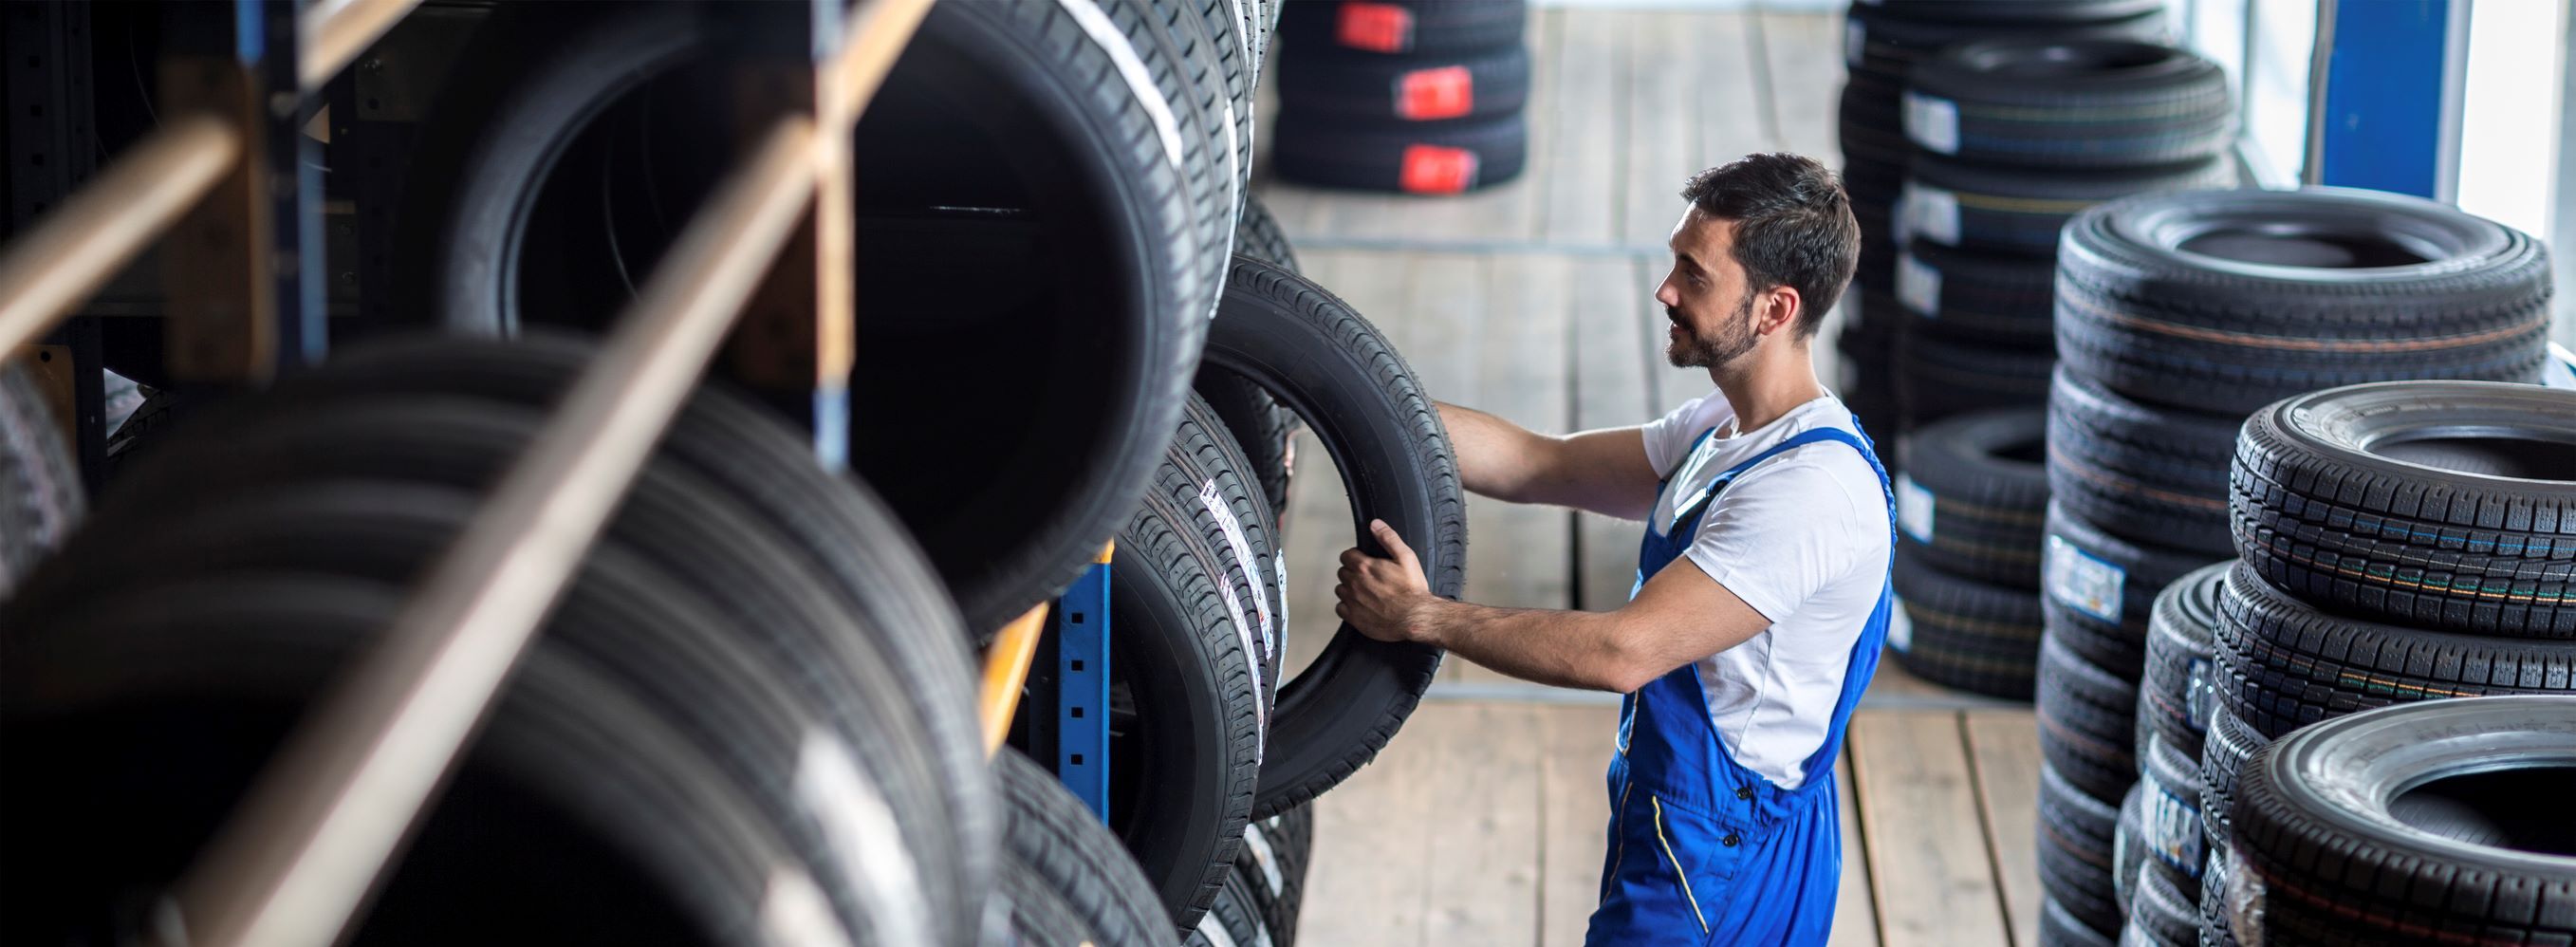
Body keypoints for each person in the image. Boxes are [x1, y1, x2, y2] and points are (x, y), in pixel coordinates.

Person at [1332, 152, 1892, 945]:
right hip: (1684, 818)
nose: (1665, 290)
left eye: (1694, 276)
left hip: (1723, 858)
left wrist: (1422, 616)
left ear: (1774, 310)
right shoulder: (1723, 430)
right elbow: (1537, 462)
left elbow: (1623, 653)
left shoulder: (1806, 491)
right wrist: (1338, 394)